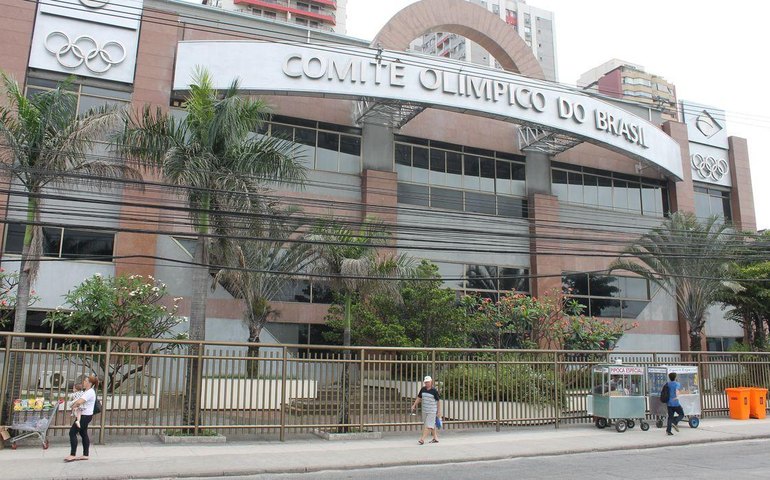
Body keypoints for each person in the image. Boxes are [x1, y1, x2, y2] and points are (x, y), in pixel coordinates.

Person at [65, 375, 98, 462]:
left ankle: (72, 455)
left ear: (90, 383)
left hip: (84, 416)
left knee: (72, 432)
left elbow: (80, 401)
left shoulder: (89, 392)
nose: (84, 382)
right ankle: (85, 454)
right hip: (85, 415)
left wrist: (73, 406)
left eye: (85, 381)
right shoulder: (87, 391)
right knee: (83, 434)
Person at [411, 375, 442, 445]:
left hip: (432, 411)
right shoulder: (423, 389)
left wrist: (439, 411)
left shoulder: (434, 391)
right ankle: (435, 438)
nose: (427, 383)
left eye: (428, 382)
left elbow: (438, 401)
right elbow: (419, 398)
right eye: (425, 382)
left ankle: (422, 439)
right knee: (431, 424)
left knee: (428, 425)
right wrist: (414, 405)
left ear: (431, 382)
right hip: (425, 410)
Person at [666, 372, 684, 436]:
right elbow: (677, 392)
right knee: (681, 414)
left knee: (670, 417)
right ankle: (675, 422)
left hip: (669, 403)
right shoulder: (677, 384)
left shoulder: (667, 384)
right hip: (675, 403)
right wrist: (677, 397)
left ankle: (668, 431)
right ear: (675, 377)